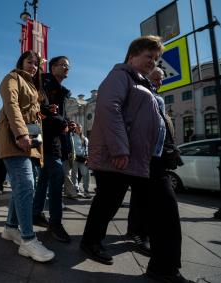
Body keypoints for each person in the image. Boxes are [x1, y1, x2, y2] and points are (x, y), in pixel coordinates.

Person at [80, 36, 192, 283]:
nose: (152, 63)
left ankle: (164, 268)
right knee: (108, 203)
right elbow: (110, 109)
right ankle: (90, 241)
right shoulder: (120, 75)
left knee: (165, 210)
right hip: (120, 157)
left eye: (155, 58)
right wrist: (120, 149)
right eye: (148, 57)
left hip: (148, 158)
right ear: (132, 56)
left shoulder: (144, 84)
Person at [0, 50, 54, 262]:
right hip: (15, 139)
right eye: (30, 61)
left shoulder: (33, 86)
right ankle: (28, 241)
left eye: (37, 64)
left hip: (31, 141)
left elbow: (33, 117)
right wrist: (21, 133)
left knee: (24, 185)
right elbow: (11, 105)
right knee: (26, 184)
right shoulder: (12, 78)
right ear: (20, 62)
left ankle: (10, 228)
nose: (34, 66)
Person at [126, 66, 165, 256]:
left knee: (147, 195)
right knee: (142, 195)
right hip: (143, 152)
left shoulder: (157, 97)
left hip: (157, 153)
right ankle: (138, 232)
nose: (159, 83)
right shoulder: (140, 94)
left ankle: (138, 230)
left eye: (161, 80)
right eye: (156, 79)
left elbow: (162, 123)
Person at [32, 56, 72, 243]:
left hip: (54, 140)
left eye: (68, 66)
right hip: (43, 138)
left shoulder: (62, 91)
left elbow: (56, 115)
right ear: (52, 67)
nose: (67, 68)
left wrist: (66, 123)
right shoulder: (43, 82)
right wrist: (62, 122)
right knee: (56, 176)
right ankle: (55, 222)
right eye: (63, 65)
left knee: (45, 178)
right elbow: (41, 109)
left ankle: (36, 213)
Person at [61, 121, 81, 199]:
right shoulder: (64, 134)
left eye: (74, 125)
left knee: (69, 174)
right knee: (67, 175)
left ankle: (67, 192)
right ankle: (72, 192)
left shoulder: (72, 134)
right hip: (65, 157)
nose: (74, 127)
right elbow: (65, 146)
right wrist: (67, 153)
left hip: (71, 158)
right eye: (72, 125)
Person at [71, 123, 91, 199]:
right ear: (75, 128)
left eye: (80, 127)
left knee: (86, 174)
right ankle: (76, 189)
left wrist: (87, 157)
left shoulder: (85, 138)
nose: (79, 129)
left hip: (83, 158)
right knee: (74, 174)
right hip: (75, 158)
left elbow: (87, 149)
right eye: (78, 127)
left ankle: (86, 190)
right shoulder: (72, 136)